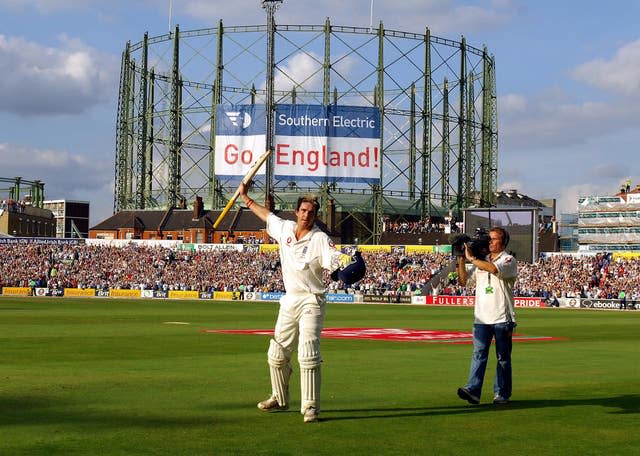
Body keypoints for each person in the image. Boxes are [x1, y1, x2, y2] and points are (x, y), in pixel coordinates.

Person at [238, 182, 364, 423]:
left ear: (315, 216)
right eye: (303, 211)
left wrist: (344, 268)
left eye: (311, 213)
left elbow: (335, 261)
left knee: (307, 353)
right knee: (276, 353)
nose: (306, 215)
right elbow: (267, 216)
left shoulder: (320, 239)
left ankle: (310, 407)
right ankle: (279, 397)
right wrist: (246, 198)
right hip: (290, 300)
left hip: (312, 300)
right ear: (296, 212)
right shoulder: (284, 228)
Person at [455, 226, 517, 405]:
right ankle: (473, 390)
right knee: (478, 354)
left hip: (502, 318)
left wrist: (472, 258)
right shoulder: (481, 261)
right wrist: (460, 257)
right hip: (481, 318)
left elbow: (493, 269)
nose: (490, 242)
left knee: (502, 358)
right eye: (488, 239)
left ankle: (502, 394)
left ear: (503, 242)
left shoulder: (508, 259)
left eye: (494, 239)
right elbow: (463, 281)